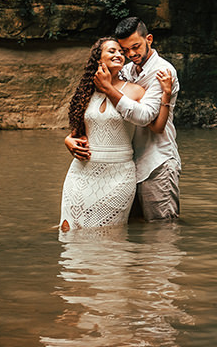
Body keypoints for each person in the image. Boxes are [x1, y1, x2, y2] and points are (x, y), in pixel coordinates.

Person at [66, 17, 181, 221]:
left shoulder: (163, 72)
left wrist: (109, 89)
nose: (130, 54)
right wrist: (69, 138)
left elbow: (146, 118)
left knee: (161, 229)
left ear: (149, 39)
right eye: (124, 50)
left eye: (135, 47)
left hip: (155, 162)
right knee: (130, 230)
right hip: (125, 165)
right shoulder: (127, 70)